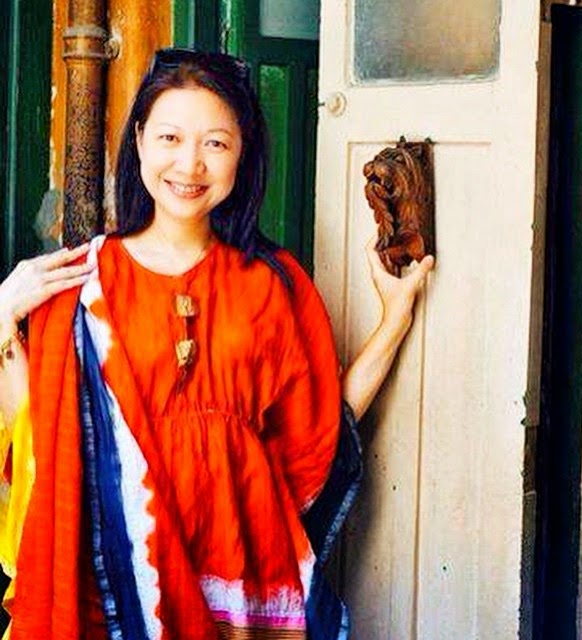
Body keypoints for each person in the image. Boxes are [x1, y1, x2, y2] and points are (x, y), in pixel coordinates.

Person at [0, 48, 434, 640]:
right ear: (140, 140)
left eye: (216, 143)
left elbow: (321, 434)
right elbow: (37, 439)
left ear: (242, 154)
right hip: (118, 590)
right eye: (170, 137)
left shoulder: (272, 283)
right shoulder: (81, 285)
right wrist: (4, 314)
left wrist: (395, 319)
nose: (190, 164)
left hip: (244, 585)